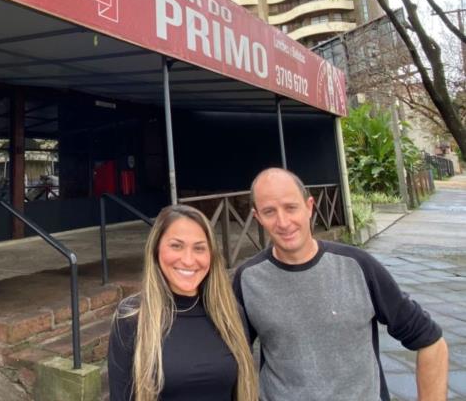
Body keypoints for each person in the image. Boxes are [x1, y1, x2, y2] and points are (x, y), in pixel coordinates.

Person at [235, 167, 449, 401]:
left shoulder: (358, 266)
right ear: (257, 218)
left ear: (309, 206)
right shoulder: (248, 279)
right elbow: (228, 359)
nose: (283, 222)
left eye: (291, 208)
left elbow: (431, 342)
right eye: (269, 212)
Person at [108, 204, 258, 401]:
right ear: (156, 249)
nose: (188, 260)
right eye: (176, 246)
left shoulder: (230, 313)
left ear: (211, 256)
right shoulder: (132, 317)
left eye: (199, 248)